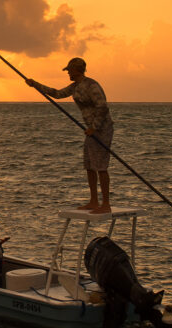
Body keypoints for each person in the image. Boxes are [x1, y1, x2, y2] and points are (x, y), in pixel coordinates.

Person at [26, 57, 114, 214]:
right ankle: (94, 201)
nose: (68, 73)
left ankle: (105, 204)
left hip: (102, 129)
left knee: (101, 166)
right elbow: (57, 94)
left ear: (76, 70)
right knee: (89, 165)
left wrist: (94, 128)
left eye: (69, 71)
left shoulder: (91, 85)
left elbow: (103, 107)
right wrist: (36, 85)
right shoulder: (75, 87)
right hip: (91, 130)